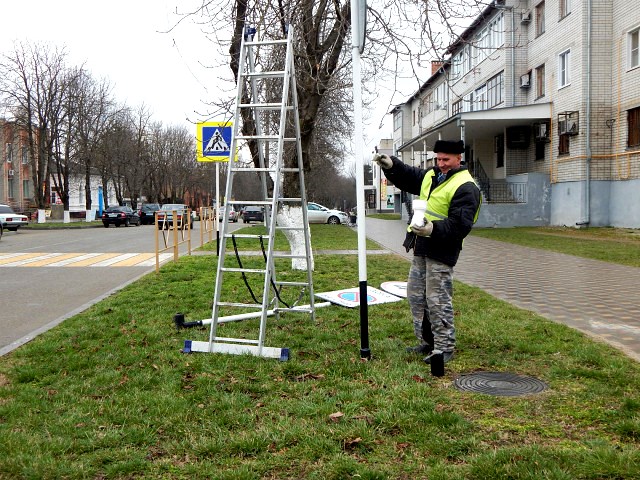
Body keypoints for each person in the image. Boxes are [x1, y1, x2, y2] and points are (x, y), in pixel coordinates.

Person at [373, 140, 481, 365]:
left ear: (459, 158)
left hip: (443, 249)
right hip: (422, 245)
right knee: (416, 296)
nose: (441, 163)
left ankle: (444, 347)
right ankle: (427, 341)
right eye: (438, 159)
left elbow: (461, 226)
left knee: (437, 299)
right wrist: (391, 165)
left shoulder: (466, 187)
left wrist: (432, 229)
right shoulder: (432, 175)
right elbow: (409, 176)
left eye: (446, 159)